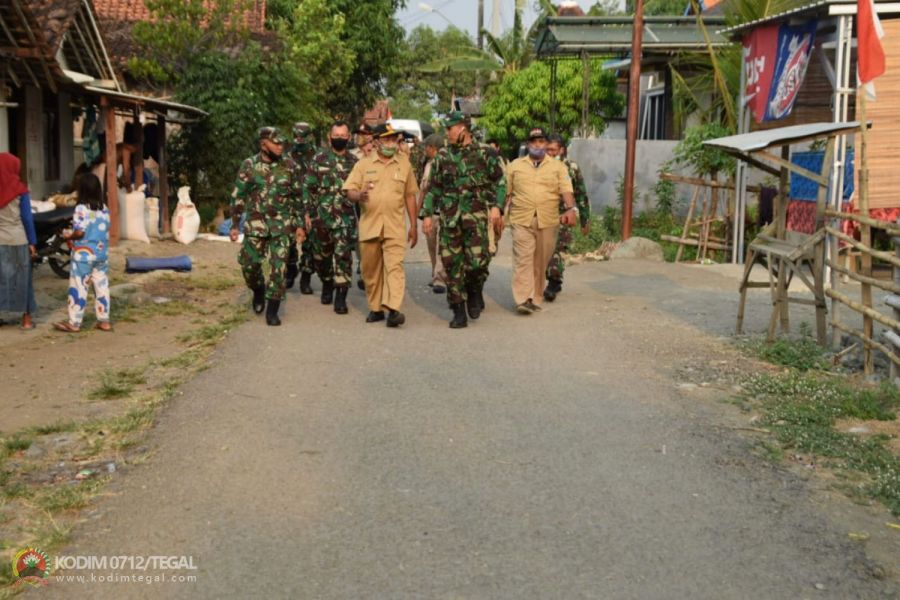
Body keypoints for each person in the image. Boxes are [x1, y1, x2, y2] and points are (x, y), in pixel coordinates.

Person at [422, 112, 505, 329]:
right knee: (452, 264)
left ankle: (475, 289)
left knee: (478, 262)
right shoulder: (442, 156)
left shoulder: (486, 153)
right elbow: (434, 189)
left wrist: (497, 206)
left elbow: (500, 182)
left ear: (462, 128)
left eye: (449, 129)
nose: (446, 134)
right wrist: (427, 215)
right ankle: (458, 310)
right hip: (450, 220)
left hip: (476, 218)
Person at [342, 123, 418, 328]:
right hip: (370, 226)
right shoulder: (363, 165)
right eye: (386, 140)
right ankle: (376, 308)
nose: (391, 143)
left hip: (395, 227)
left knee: (395, 267)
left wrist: (414, 225)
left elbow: (410, 195)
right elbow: (349, 190)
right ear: (376, 141)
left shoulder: (404, 165)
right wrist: (359, 195)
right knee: (370, 270)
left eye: (394, 139)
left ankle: (394, 309)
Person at [230, 127, 306, 326]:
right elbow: (239, 196)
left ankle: (273, 310)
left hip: (282, 227)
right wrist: (235, 224)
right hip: (256, 226)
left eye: (282, 143)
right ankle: (258, 290)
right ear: (263, 144)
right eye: (276, 143)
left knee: (278, 269)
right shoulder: (249, 165)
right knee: (249, 266)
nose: (281, 147)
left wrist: (299, 225)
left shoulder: (289, 166)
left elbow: (298, 197)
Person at [506, 127, 576, 315]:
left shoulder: (558, 167)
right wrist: (498, 213)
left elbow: (566, 190)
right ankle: (522, 298)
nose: (537, 145)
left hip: (548, 219)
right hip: (522, 219)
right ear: (528, 144)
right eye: (534, 142)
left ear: (546, 144)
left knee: (540, 261)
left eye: (541, 141)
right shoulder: (514, 166)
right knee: (523, 259)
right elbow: (506, 192)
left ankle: (535, 297)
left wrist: (571, 209)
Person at [302, 121, 358, 314]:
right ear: (329, 137)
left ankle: (341, 297)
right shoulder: (319, 159)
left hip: (345, 219)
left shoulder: (354, 162)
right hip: (322, 219)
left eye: (344, 135)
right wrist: (307, 213)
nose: (340, 139)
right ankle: (327, 282)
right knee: (321, 258)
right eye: (337, 135)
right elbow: (308, 188)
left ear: (349, 137)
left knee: (344, 257)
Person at [53, 173, 111, 333]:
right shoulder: (104, 208)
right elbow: (105, 229)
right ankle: (104, 321)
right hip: (101, 255)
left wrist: (68, 235)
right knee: (102, 286)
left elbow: (79, 233)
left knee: (79, 287)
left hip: (83, 257)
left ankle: (75, 323)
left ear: (82, 190)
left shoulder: (81, 209)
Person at [544, 134, 591, 302]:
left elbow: (581, 194)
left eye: (553, 150)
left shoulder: (572, 168)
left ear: (561, 150)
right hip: (543, 216)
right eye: (547, 149)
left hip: (564, 216)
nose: (549, 153)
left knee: (558, 249)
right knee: (542, 250)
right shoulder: (539, 167)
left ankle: (554, 283)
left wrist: (585, 219)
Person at [0, 153, 37, 330]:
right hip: (18, 240)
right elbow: (27, 218)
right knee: (24, 279)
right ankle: (26, 320)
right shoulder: (20, 190)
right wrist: (32, 242)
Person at [416, 133, 447, 294]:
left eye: (426, 147)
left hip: (443, 211)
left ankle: (440, 278)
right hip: (430, 212)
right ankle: (435, 271)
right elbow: (423, 189)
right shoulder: (428, 164)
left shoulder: (446, 163)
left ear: (432, 148)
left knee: (442, 245)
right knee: (431, 244)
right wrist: (418, 211)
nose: (424, 150)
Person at [288, 122, 317, 294]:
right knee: (288, 241)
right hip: (290, 204)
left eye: (302, 136)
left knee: (310, 244)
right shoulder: (286, 154)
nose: (299, 139)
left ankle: (305, 278)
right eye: (296, 136)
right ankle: (291, 270)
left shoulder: (317, 155)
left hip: (311, 205)